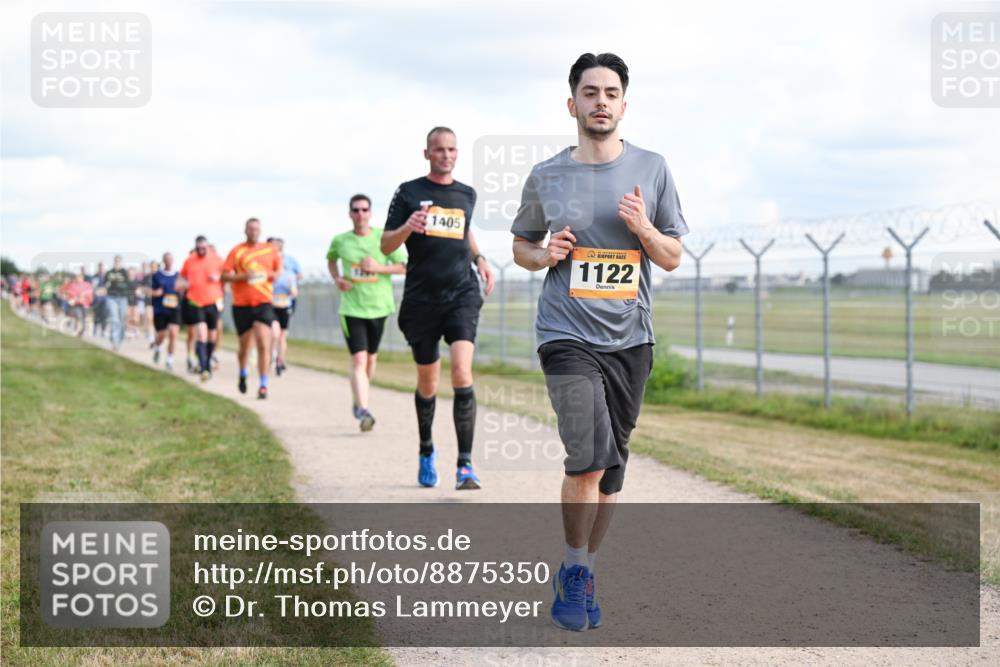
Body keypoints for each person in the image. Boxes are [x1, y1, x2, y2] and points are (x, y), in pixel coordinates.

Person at [511, 53, 688, 632]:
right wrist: (546, 254)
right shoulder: (546, 175)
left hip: (630, 338)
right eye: (590, 92)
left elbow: (671, 257)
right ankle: (575, 566)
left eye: (611, 92)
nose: (601, 102)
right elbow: (522, 249)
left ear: (623, 105)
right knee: (587, 454)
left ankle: (582, 567)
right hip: (565, 333)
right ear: (573, 104)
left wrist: (642, 228)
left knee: (611, 471)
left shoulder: (653, 168)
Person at [381, 127, 495, 489]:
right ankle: (427, 450)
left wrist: (480, 258)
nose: (446, 155)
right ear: (427, 153)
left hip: (461, 292)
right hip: (421, 299)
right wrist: (408, 227)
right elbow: (385, 245)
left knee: (462, 371)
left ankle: (465, 465)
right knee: (428, 382)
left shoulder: (466, 194)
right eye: (439, 149)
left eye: (451, 149)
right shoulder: (409, 192)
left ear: (457, 153)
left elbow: (465, 231)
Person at [327, 194, 407, 431]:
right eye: (355, 210)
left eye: (364, 210)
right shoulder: (340, 240)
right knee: (359, 359)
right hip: (352, 308)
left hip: (379, 307)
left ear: (370, 213)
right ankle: (363, 410)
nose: (360, 214)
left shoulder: (383, 238)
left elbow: (404, 266)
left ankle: (359, 397)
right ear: (350, 213)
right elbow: (331, 260)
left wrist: (379, 267)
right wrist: (337, 278)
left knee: (371, 359)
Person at [222, 218, 281, 399]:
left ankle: (263, 385)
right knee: (245, 347)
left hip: (262, 302)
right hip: (241, 305)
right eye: (250, 229)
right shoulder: (237, 251)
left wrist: (267, 275)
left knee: (264, 342)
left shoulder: (269, 250)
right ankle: (243, 373)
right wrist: (243, 276)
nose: (253, 232)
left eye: (256, 229)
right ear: (245, 231)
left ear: (260, 231)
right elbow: (224, 276)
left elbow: (278, 271)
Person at [179, 236, 225, 381]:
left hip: (212, 302)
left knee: (212, 336)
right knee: (201, 334)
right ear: (196, 247)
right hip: (195, 302)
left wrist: (218, 277)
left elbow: (227, 276)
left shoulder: (217, 259)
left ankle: (207, 361)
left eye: (204, 248)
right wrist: (183, 285)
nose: (201, 251)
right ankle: (204, 367)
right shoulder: (190, 260)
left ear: (207, 247)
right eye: (199, 248)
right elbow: (181, 279)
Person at [268, 238, 298, 377]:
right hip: (271, 306)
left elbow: (295, 291)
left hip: (284, 305)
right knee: (274, 333)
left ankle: (280, 361)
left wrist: (290, 291)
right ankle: (272, 355)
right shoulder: (269, 272)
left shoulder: (289, 274)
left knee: (282, 337)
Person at [151, 252, 183, 371]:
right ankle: (158, 348)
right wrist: (156, 293)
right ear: (163, 261)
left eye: (171, 259)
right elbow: (149, 291)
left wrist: (181, 291)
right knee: (162, 334)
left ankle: (169, 359)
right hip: (160, 309)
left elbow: (183, 289)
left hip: (174, 309)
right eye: (167, 260)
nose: (169, 262)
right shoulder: (157, 276)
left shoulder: (178, 275)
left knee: (174, 334)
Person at [104, 256, 131, 350]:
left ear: (121, 262)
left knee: (122, 320)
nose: (117, 263)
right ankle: (115, 342)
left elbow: (128, 285)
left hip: (122, 298)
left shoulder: (124, 272)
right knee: (115, 319)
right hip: (111, 297)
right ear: (114, 262)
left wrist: (118, 284)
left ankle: (119, 338)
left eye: (119, 262)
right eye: (116, 261)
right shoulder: (109, 273)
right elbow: (105, 284)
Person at [64, 270, 94, 337]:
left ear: (82, 278)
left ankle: (81, 331)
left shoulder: (87, 285)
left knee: (84, 318)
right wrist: (75, 297)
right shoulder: (73, 285)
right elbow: (69, 293)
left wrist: (84, 295)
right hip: (76, 304)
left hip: (85, 304)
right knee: (78, 317)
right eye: (77, 277)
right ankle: (77, 331)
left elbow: (90, 293)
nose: (78, 279)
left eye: (79, 277)